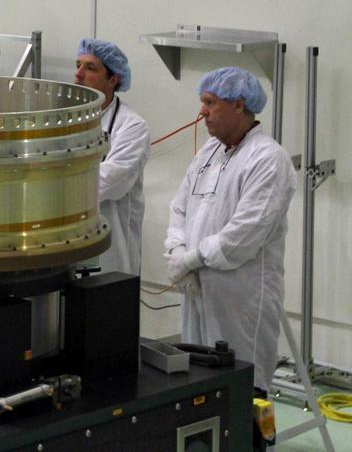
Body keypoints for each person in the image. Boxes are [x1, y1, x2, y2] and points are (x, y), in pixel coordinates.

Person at [165, 67, 297, 392]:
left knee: (244, 388)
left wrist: (191, 258)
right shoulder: (208, 152)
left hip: (241, 298)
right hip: (198, 290)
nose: (202, 111)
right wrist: (177, 249)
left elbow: (244, 236)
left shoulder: (268, 159)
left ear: (239, 105)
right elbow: (179, 207)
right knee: (199, 385)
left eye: (210, 102)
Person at [74, 39, 150, 276]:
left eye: (90, 68)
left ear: (113, 79)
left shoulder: (132, 126)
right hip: (66, 240)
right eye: (78, 65)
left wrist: (58, 191)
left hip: (111, 247)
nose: (78, 74)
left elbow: (111, 182)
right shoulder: (66, 118)